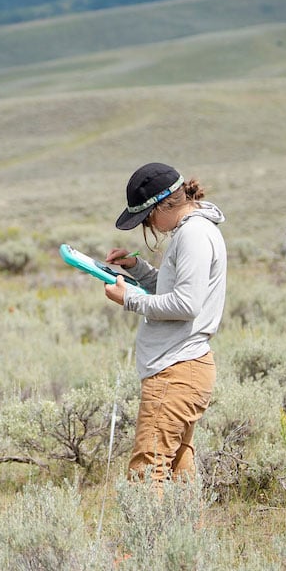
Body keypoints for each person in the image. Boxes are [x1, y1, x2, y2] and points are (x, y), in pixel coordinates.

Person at [102, 162, 227, 484]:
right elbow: (177, 289)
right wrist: (137, 269)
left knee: (147, 470)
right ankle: (184, 520)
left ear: (161, 206)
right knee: (177, 466)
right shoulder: (194, 231)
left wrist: (129, 299)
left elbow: (186, 304)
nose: (149, 226)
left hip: (176, 369)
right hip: (184, 367)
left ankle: (152, 521)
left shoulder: (193, 235)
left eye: (146, 218)